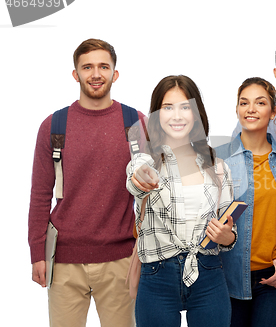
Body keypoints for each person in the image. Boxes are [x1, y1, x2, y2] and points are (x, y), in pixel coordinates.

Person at [28, 38, 144, 327]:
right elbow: (40, 195)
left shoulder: (135, 123)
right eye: (87, 67)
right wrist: (36, 253)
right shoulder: (54, 126)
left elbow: (154, 191)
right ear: (75, 74)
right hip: (64, 261)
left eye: (103, 67)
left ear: (115, 74)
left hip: (120, 259)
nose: (96, 74)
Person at [126, 75, 236, 327]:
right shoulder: (144, 162)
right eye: (168, 107)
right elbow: (135, 181)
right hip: (157, 276)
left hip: (208, 272)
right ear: (156, 114)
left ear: (196, 113)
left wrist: (225, 236)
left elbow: (231, 235)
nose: (177, 115)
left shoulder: (218, 168)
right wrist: (140, 179)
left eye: (185, 107)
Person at [216, 77, 276, 327]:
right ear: (237, 109)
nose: (251, 109)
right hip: (228, 277)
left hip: (275, 278)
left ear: (274, 111)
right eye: (244, 103)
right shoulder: (218, 158)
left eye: (260, 102)